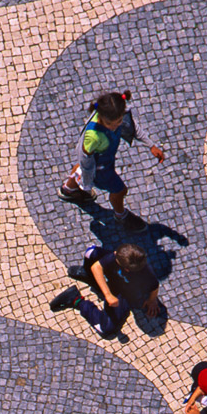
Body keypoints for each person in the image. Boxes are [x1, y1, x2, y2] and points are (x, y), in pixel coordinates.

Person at [59, 89, 164, 233]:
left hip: (103, 161)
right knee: (120, 190)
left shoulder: (116, 114)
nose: (116, 126)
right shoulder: (94, 137)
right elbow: (85, 160)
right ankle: (121, 216)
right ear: (102, 118)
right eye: (111, 124)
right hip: (100, 169)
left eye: (119, 121)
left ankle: (68, 189)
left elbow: (130, 125)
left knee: (79, 169)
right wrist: (88, 184)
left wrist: (150, 144)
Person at [49, 241, 162, 336]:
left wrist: (152, 300)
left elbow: (154, 286)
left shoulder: (146, 276)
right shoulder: (120, 255)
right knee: (91, 252)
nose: (114, 254)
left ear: (126, 269)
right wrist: (107, 295)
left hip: (124, 292)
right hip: (113, 276)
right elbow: (96, 267)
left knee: (106, 328)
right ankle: (88, 275)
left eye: (116, 257)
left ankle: (76, 300)